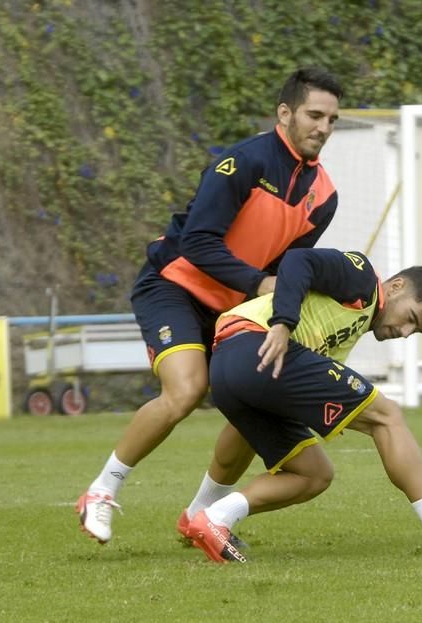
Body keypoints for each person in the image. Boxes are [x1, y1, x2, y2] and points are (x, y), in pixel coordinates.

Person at [77, 67, 344, 544]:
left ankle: (199, 515)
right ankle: (101, 490)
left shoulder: (324, 197)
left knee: (251, 399)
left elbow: (293, 268)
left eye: (332, 119)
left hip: (234, 307)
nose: (322, 128)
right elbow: (198, 242)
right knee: (185, 392)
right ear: (285, 114)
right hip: (174, 287)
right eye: (314, 115)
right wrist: (259, 283)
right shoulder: (242, 162)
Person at [182, 247, 422, 563]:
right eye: (411, 318)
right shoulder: (362, 277)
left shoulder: (347, 328)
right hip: (255, 341)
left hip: (230, 367)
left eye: (414, 332)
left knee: (313, 474)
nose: (404, 333)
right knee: (387, 416)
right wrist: (283, 322)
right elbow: (299, 260)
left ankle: (209, 516)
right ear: (396, 288)